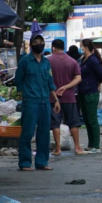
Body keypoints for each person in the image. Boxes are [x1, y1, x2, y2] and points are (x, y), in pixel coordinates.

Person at [15, 34, 61, 171]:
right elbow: (18, 80)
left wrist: (56, 100)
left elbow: (50, 83)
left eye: (41, 42)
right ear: (31, 44)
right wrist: (26, 94)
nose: (39, 44)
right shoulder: (25, 61)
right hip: (30, 102)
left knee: (44, 133)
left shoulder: (46, 62)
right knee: (28, 132)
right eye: (36, 42)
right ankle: (24, 163)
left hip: (45, 102)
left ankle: (42, 161)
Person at [47, 39, 84, 156]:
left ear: (53, 48)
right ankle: (77, 147)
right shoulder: (72, 61)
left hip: (53, 97)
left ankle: (58, 148)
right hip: (69, 96)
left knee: (55, 123)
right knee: (73, 122)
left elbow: (46, 80)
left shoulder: (47, 61)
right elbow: (78, 78)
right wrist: (66, 87)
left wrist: (57, 89)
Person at [78, 39, 102, 154]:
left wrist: (97, 84)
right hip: (82, 91)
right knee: (86, 119)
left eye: (81, 46)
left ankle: (96, 145)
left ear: (86, 47)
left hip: (91, 92)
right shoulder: (83, 60)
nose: (81, 48)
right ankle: (90, 144)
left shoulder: (93, 61)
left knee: (92, 119)